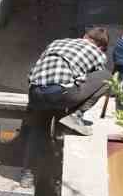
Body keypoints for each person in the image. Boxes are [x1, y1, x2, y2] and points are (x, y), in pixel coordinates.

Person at [21, 28, 112, 182]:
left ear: (84, 36)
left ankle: (27, 175)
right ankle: (75, 115)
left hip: (36, 93)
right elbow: (94, 78)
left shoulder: (57, 42)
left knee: (38, 131)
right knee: (107, 77)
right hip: (61, 93)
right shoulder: (98, 53)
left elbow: (37, 68)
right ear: (101, 47)